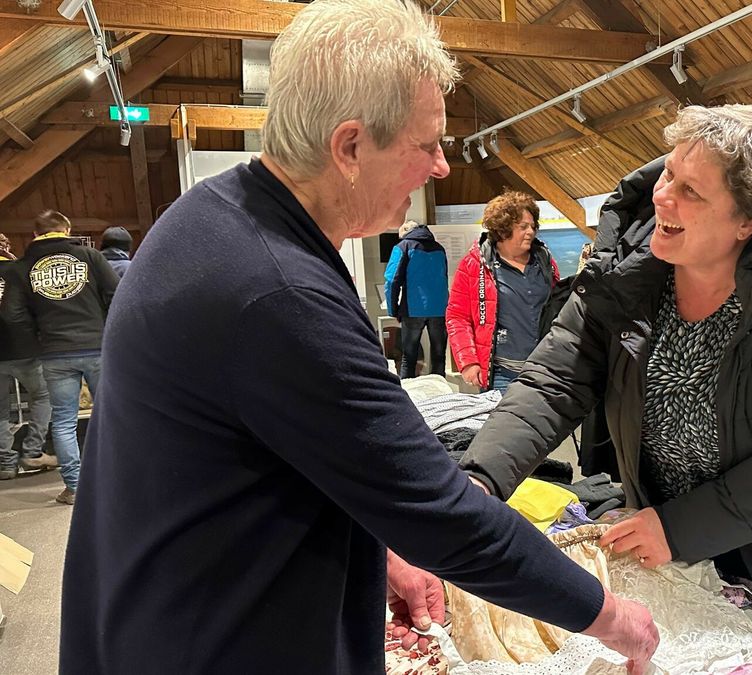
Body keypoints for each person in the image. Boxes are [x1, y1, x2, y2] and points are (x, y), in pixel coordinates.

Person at [59, 2, 657, 673]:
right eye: (427, 144)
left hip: (158, 614)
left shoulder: (216, 213)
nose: (440, 167)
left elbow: (283, 449)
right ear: (349, 148)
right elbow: (443, 513)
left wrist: (379, 550)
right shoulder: (278, 292)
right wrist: (611, 616)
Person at [460, 105, 752, 675]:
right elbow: (555, 378)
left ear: (748, 221)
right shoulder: (629, 272)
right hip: (673, 560)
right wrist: (479, 481)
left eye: (691, 191)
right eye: (668, 173)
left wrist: (678, 527)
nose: (663, 196)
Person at [17, 210, 118, 504]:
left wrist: (38, 335)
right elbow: (117, 293)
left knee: (63, 422)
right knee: (111, 415)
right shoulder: (90, 256)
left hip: (54, 352)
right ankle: (117, 481)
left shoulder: (23, 267)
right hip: (96, 346)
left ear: (36, 234)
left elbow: (14, 313)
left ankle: (74, 488)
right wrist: (106, 328)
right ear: (67, 229)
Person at [446, 191, 558, 392]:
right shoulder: (474, 265)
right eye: (523, 227)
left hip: (547, 371)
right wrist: (468, 361)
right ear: (503, 228)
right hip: (501, 375)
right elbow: (457, 316)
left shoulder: (545, 261)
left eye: (533, 226)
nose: (530, 232)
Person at [0, 234, 56, 480]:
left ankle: (6, 463)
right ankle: (33, 451)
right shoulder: (20, 270)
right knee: (43, 396)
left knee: (0, 410)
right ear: (6, 247)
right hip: (25, 347)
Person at [385, 219, 449, 378]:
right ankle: (440, 391)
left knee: (409, 357)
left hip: (413, 308)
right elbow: (444, 276)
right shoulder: (439, 248)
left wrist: (393, 310)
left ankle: (408, 391)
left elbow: (392, 280)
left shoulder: (403, 247)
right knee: (439, 357)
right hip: (440, 308)